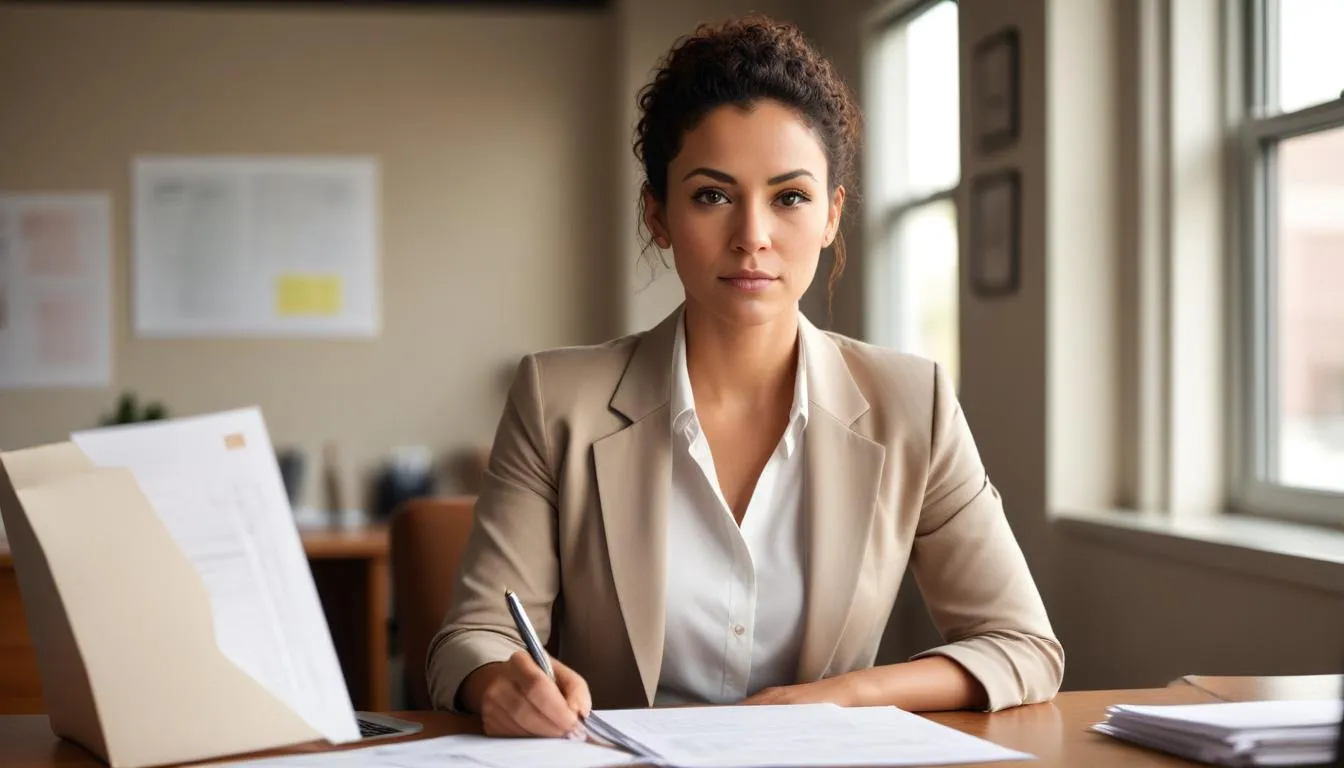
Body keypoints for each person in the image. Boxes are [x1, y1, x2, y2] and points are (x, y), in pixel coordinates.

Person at [426, 15, 1063, 738]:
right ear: (658, 214)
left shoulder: (912, 404)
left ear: (831, 216)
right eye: (712, 195)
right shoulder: (556, 401)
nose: (752, 236)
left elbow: (1023, 647)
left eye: (790, 197)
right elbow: (469, 640)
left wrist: (844, 696)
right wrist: (499, 681)